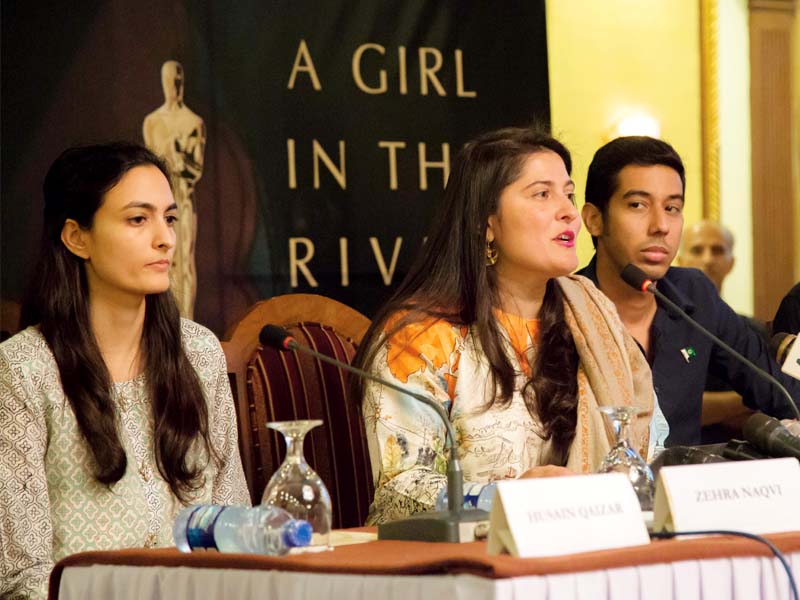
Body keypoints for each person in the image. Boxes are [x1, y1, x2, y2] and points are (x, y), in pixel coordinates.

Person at [355, 128, 655, 526]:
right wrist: (510, 498)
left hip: (589, 537)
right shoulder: (423, 336)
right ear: (487, 223)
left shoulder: (592, 319)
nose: (568, 211)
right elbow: (400, 491)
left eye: (567, 192)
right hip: (466, 564)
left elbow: (649, 448)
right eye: (541, 194)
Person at [0, 143, 249, 600]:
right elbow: (23, 577)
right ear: (77, 237)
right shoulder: (23, 369)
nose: (165, 239)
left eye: (169, 218)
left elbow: (234, 526)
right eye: (139, 219)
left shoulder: (199, 352)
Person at [577, 136, 800, 447]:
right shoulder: (565, 308)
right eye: (638, 205)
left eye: (672, 207)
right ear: (594, 219)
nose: (661, 226)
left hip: (686, 491)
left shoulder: (693, 294)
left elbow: (778, 390)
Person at [677, 220, 765, 441]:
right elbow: (673, 408)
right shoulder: (664, 327)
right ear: (680, 260)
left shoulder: (753, 331)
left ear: (731, 263)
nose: (708, 260)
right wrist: (746, 400)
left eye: (717, 250)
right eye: (697, 250)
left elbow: (773, 407)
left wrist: (715, 407)